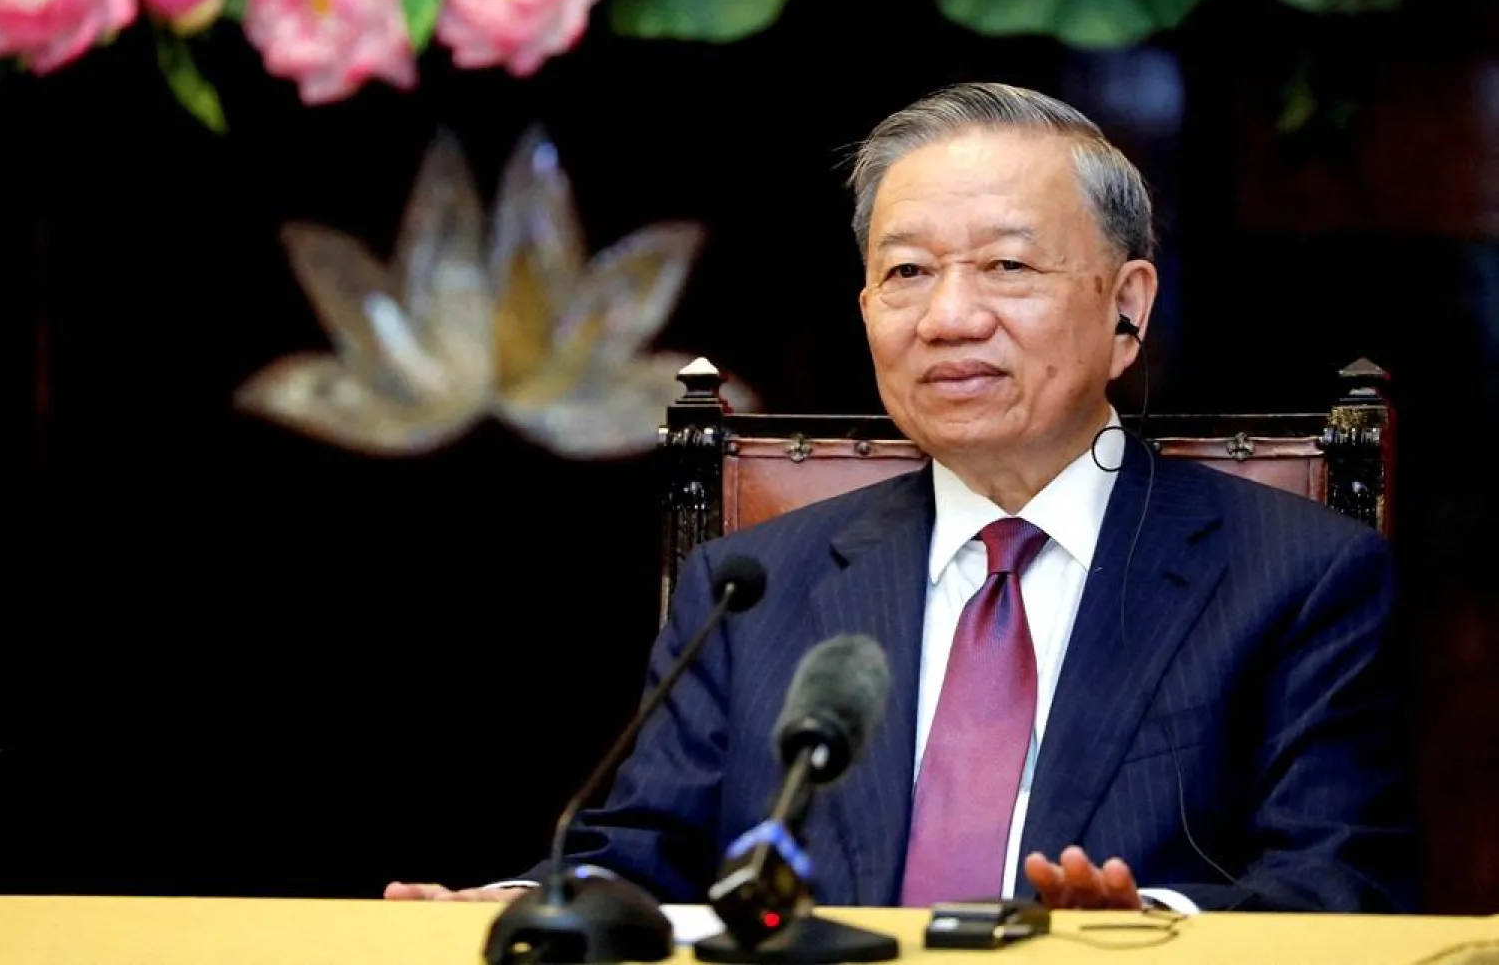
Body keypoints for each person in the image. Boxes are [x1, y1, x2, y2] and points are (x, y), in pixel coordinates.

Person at [385, 82, 1416, 912]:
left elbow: (1344, 886)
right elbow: (647, 853)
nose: (949, 317)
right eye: (908, 273)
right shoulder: (756, 586)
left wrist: (1158, 926)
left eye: (1007, 265)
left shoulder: (1298, 575)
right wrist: (521, 900)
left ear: (1127, 308)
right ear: (867, 310)